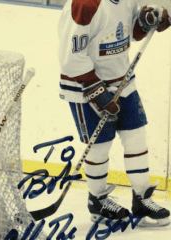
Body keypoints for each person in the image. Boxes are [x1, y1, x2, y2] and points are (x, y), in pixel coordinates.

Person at [57, 0, 171, 227]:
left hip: (122, 81)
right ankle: (97, 200)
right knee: (100, 145)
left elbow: (129, 33)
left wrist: (147, 20)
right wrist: (97, 92)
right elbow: (70, 56)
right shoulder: (84, 5)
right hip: (85, 86)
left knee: (137, 138)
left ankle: (142, 199)